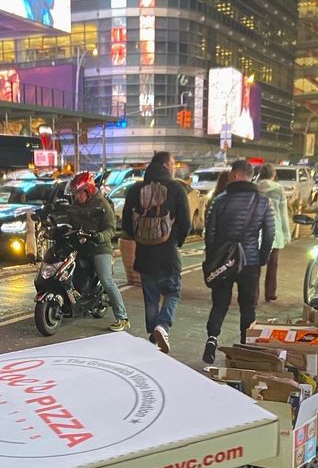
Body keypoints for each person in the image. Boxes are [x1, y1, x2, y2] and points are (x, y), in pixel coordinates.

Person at [202, 159, 275, 364]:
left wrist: (213, 260)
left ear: (233, 174)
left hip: (224, 262)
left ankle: (211, 339)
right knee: (248, 306)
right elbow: (269, 234)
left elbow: (210, 236)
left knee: (219, 304)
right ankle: (245, 347)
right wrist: (262, 257)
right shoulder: (263, 201)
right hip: (250, 262)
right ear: (251, 176)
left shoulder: (219, 200)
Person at [121, 151, 190, 352]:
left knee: (150, 297)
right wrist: (176, 241)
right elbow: (185, 222)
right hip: (168, 254)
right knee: (173, 292)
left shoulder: (135, 189)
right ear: (165, 166)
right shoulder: (176, 189)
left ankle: (153, 336)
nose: (175, 167)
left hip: (144, 254)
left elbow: (126, 222)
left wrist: (140, 239)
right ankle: (163, 325)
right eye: (173, 163)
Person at [66, 170, 130, 331]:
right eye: (76, 193)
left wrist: (99, 236)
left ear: (89, 190)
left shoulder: (102, 204)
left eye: (80, 192)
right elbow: (70, 223)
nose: (78, 196)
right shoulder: (75, 205)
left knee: (106, 280)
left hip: (99, 248)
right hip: (81, 246)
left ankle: (122, 317)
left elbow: (111, 229)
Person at [256, 163, 291, 301]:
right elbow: (283, 213)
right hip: (274, 229)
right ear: (273, 175)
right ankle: (270, 293)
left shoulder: (255, 188)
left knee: (255, 264)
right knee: (273, 265)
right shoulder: (278, 190)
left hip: (257, 229)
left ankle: (254, 295)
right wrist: (286, 233)